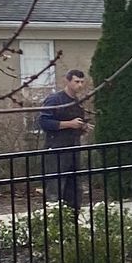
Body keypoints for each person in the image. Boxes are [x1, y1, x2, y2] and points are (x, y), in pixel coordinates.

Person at [37, 66, 88, 211]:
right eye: (76, 81)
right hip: (56, 149)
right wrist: (69, 124)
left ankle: (73, 219)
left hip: (73, 148)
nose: (79, 85)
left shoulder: (77, 102)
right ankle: (54, 219)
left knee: (75, 188)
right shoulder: (55, 99)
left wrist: (82, 127)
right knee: (55, 186)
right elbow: (44, 122)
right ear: (68, 81)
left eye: (82, 82)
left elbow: (76, 124)